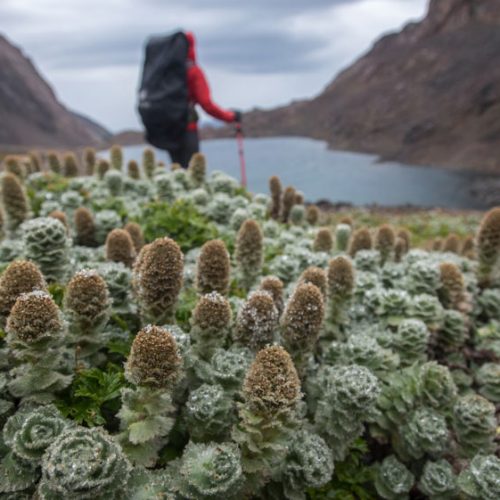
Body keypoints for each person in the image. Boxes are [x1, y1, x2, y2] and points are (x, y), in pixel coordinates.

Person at [167, 31, 242, 168]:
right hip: (187, 129)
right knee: (191, 172)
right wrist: (230, 116)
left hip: (169, 129)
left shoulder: (167, 71)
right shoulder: (193, 71)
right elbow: (207, 104)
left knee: (177, 170)